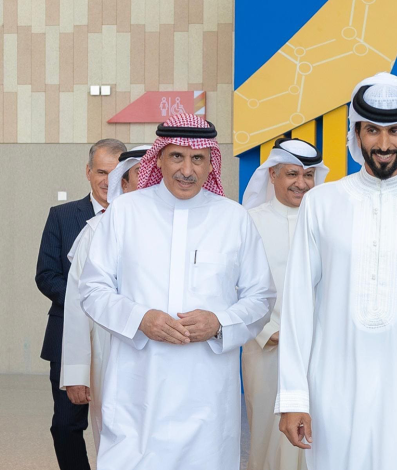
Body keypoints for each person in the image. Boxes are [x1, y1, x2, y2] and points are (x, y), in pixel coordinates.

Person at [276, 72, 397, 470]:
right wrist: (293, 397)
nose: (383, 144)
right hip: (330, 388)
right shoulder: (321, 203)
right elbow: (297, 305)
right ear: (355, 134)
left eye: (395, 130)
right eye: (372, 130)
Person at [78, 114, 276, 469]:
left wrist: (220, 322)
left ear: (211, 162)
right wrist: (141, 318)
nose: (187, 170)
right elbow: (93, 288)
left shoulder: (233, 218)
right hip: (138, 389)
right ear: (158, 159)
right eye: (176, 157)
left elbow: (261, 296)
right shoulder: (125, 212)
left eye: (198, 158)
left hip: (207, 397)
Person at [35, 138, 126, 470]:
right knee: (66, 426)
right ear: (88, 172)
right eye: (101, 172)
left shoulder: (138, 218)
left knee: (120, 422)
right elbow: (46, 275)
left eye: (115, 173)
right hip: (68, 337)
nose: (108, 181)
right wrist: (87, 302)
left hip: (122, 338)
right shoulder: (62, 216)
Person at [241, 137, 329, 470]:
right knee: (268, 440)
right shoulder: (249, 222)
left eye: (308, 175)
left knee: (319, 440)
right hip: (267, 350)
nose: (301, 183)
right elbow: (234, 287)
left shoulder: (327, 222)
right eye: (292, 174)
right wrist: (270, 331)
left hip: (322, 350)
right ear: (272, 174)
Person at [59, 146, 148, 450]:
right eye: (141, 174)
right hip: (109, 357)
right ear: (125, 182)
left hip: (168, 361)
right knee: (115, 444)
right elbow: (77, 307)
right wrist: (76, 373)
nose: (150, 182)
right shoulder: (96, 231)